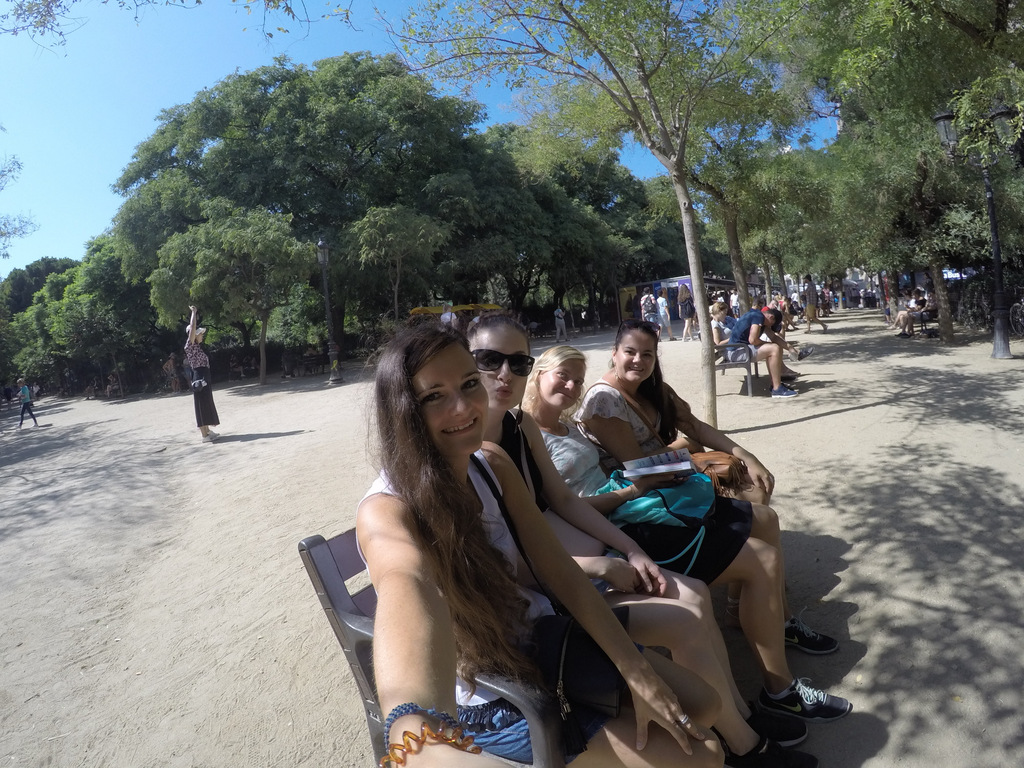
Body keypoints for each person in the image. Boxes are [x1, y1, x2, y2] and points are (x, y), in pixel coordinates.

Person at [357, 322, 725, 768]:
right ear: (403, 411)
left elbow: (560, 572)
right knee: (703, 754)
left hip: (545, 639)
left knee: (704, 705)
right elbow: (405, 586)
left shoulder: (491, 462)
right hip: (491, 693)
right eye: (433, 396)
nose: (463, 407)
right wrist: (411, 728)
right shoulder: (387, 510)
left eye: (469, 384)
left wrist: (636, 670)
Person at [469, 317, 822, 764]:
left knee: (697, 595)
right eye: (490, 360)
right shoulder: (466, 451)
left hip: (581, 563)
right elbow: (504, 557)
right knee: (691, 608)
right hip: (550, 596)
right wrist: (601, 561)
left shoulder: (518, 428)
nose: (505, 373)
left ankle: (742, 720)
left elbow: (561, 501)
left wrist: (630, 550)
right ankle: (743, 742)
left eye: (517, 362)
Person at [534, 339, 851, 725]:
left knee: (763, 517)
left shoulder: (570, 423)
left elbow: (691, 430)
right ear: (614, 354)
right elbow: (575, 499)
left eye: (648, 353)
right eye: (562, 376)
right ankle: (779, 691)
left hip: (635, 508)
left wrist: (740, 454)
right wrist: (678, 455)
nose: (571, 386)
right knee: (761, 559)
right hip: (626, 519)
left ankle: (773, 625)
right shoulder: (561, 421)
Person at [727, 308, 810, 399]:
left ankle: (775, 384)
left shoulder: (759, 317)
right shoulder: (758, 317)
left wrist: (791, 348)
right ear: (771, 317)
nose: (771, 327)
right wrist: (768, 344)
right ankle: (777, 389)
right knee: (773, 348)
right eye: (772, 325)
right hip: (736, 352)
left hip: (741, 349)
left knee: (775, 346)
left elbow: (774, 338)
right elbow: (753, 340)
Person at [184, 306, 220, 443]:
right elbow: (193, 327)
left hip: (203, 375)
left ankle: (207, 431)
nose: (202, 335)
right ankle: (204, 435)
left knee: (206, 403)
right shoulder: (190, 345)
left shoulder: (197, 347)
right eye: (200, 334)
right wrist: (194, 312)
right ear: (193, 335)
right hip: (199, 377)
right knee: (201, 404)